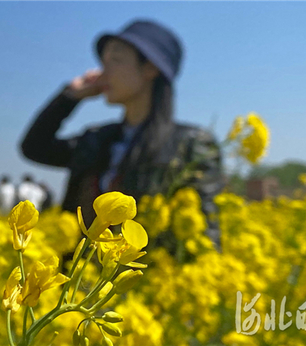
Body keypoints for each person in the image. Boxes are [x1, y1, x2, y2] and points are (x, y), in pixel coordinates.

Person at [20, 19, 226, 253]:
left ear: (150, 68)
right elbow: (34, 147)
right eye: (102, 63)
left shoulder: (191, 144)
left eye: (114, 61)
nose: (100, 73)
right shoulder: (95, 139)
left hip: (144, 280)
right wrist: (69, 96)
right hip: (80, 283)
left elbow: (204, 236)